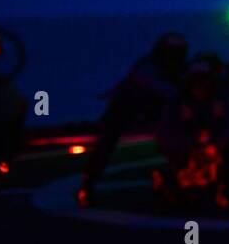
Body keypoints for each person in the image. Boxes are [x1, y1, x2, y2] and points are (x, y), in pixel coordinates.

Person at [78, 32, 188, 207]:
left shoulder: (177, 70)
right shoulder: (148, 69)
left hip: (154, 110)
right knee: (107, 142)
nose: (173, 56)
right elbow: (161, 89)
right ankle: (89, 182)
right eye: (171, 52)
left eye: (177, 52)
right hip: (127, 109)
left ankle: (181, 179)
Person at [156, 56, 229, 209]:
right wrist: (191, 144)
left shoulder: (221, 99)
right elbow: (165, 133)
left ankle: (227, 185)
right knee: (185, 193)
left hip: (216, 148)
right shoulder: (177, 103)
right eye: (196, 81)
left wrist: (217, 144)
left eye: (204, 80)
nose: (200, 85)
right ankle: (174, 184)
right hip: (186, 150)